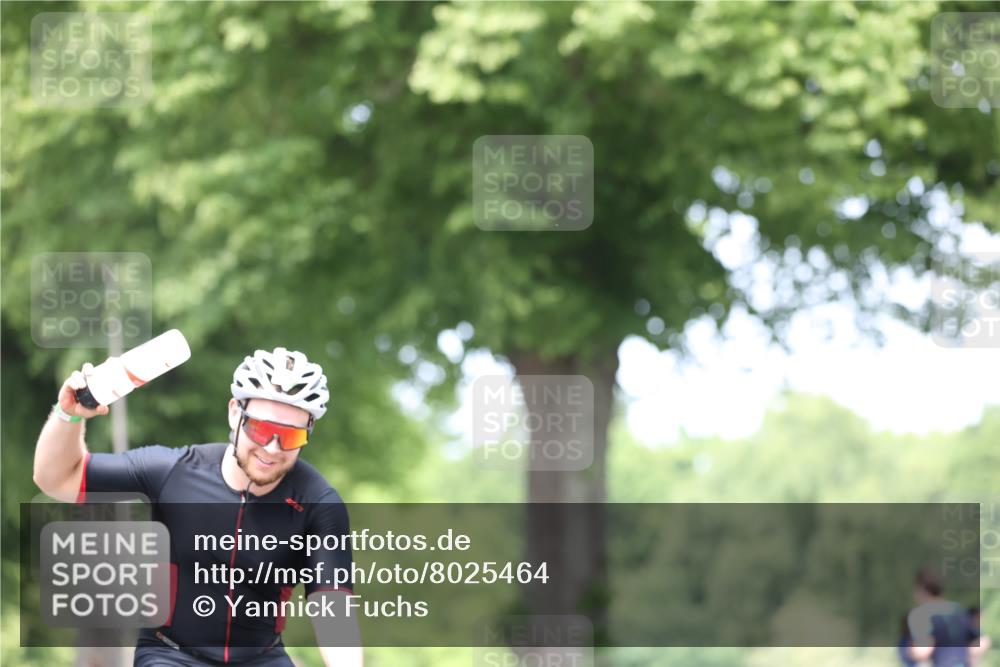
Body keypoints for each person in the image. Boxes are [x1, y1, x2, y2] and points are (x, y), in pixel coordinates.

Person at [33, 347, 363, 667]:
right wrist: (68, 415)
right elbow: (56, 478)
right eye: (261, 429)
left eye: (290, 437)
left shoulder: (318, 504)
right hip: (169, 654)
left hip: (262, 658)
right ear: (235, 413)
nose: (272, 448)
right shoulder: (172, 470)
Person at [906, 568, 987, 667]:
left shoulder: (920, 614)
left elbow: (924, 650)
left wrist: (910, 653)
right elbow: (982, 642)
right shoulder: (958, 609)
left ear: (921, 589)